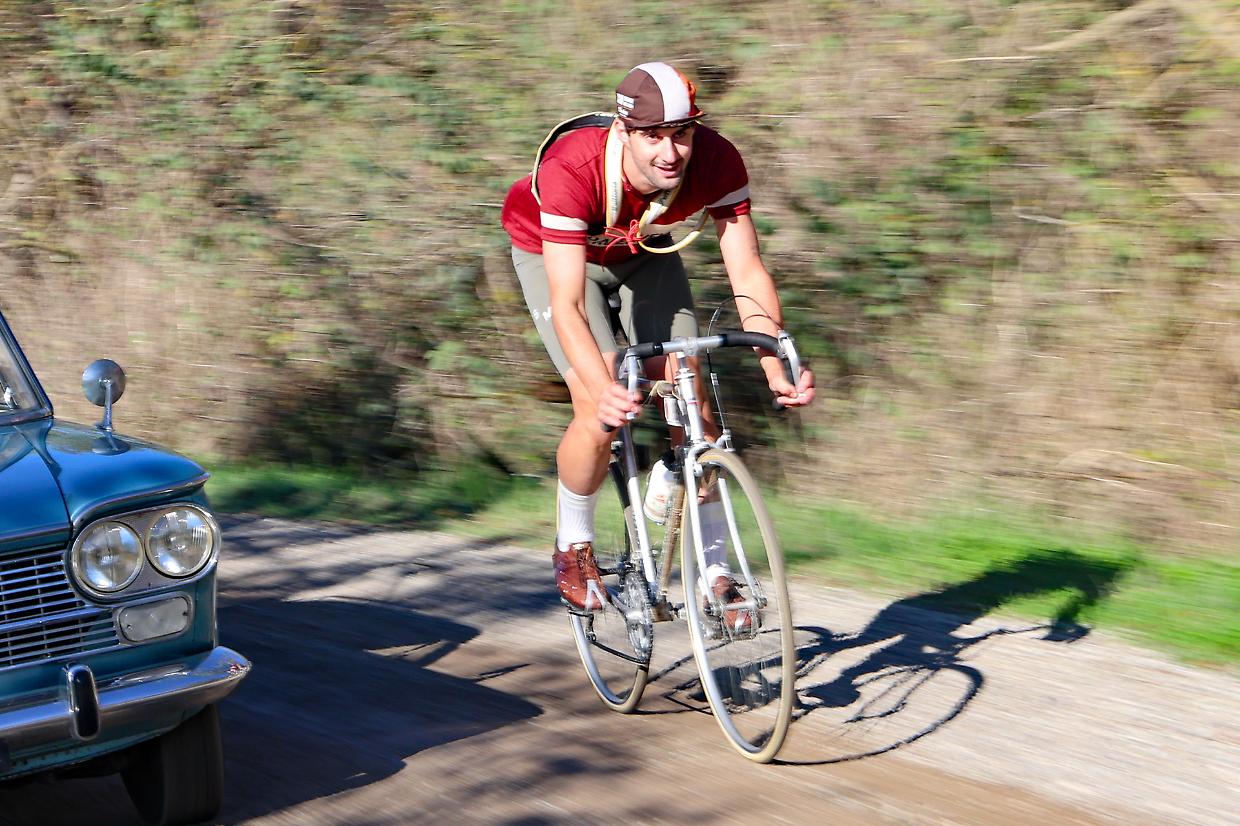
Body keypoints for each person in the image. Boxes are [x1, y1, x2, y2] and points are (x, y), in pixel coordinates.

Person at [500, 61, 815, 613]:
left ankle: (715, 571)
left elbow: (746, 269)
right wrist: (604, 388)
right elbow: (569, 303)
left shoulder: (717, 159)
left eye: (682, 134)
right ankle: (574, 544)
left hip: (640, 253)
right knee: (597, 410)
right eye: (653, 136)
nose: (670, 152)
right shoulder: (572, 169)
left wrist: (774, 360)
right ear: (622, 131)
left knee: (690, 390)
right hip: (556, 262)